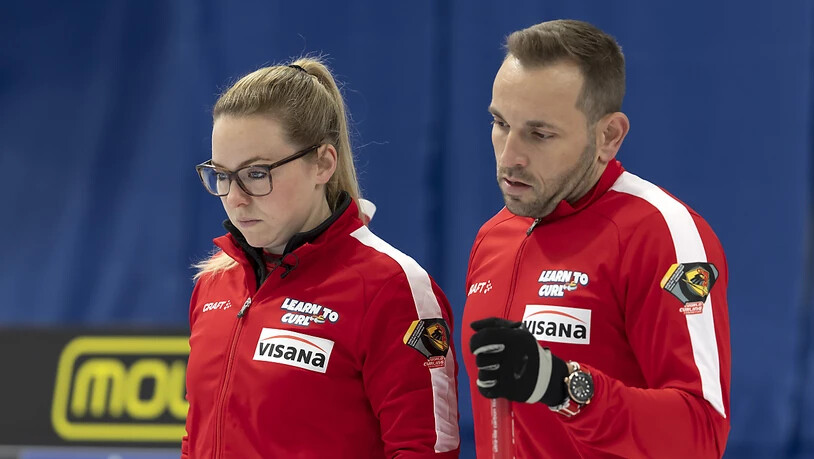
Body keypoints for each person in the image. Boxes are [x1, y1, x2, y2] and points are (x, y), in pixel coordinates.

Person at [462, 19, 730, 458]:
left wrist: (560, 384)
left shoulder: (661, 234)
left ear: (608, 136)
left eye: (539, 133)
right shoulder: (496, 235)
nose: (509, 156)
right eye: (500, 123)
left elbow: (700, 435)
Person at [182, 57, 460, 458]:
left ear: (323, 164)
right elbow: (197, 438)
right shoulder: (215, 284)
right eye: (221, 175)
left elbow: (424, 450)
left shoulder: (392, 287)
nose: (235, 198)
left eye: (257, 173)